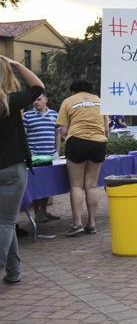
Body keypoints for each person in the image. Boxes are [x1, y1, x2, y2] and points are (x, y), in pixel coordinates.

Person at [0, 55, 44, 285]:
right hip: (12, 168)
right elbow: (38, 87)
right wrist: (17, 65)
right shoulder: (11, 101)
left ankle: (14, 270)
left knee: (4, 220)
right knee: (6, 222)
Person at [57, 80, 109, 236]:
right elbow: (106, 129)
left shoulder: (68, 102)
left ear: (74, 91)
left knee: (76, 185)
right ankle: (92, 224)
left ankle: (77, 223)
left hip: (77, 142)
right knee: (92, 185)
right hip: (98, 143)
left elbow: (64, 131)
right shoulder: (100, 101)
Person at [22, 94, 61, 223]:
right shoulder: (27, 116)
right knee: (36, 185)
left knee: (47, 185)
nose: (36, 102)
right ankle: (37, 213)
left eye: (38, 99)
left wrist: (57, 151)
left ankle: (43, 211)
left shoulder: (54, 114)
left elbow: (57, 134)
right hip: (35, 158)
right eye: (34, 100)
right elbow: (23, 136)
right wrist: (29, 154)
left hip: (50, 155)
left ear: (46, 100)